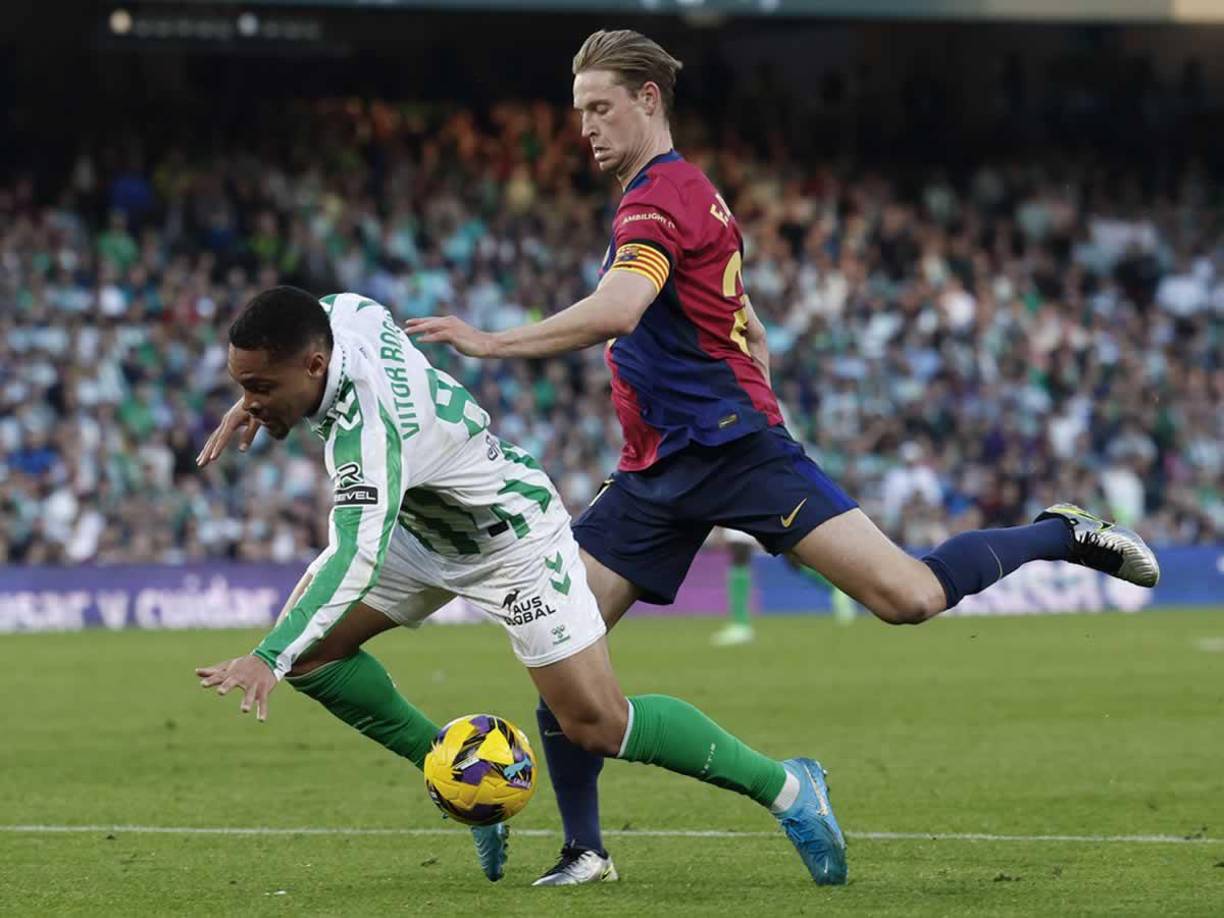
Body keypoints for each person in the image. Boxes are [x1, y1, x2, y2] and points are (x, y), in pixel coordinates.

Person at [403, 29, 1161, 885]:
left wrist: (490, 342)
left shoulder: (659, 197)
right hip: (657, 469)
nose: (586, 128)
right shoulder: (684, 197)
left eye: (600, 108)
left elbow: (619, 311)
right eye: (580, 112)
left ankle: (1060, 534)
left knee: (907, 597)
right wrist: (745, 357)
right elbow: (742, 316)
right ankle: (586, 851)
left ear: (649, 100)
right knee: (560, 649)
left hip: (733, 449)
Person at [194, 286, 849, 888]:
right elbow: (317, 319)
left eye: (259, 385)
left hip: (511, 540)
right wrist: (255, 402)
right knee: (316, 655)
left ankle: (788, 787)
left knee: (595, 723)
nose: (249, 398)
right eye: (241, 384)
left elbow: (355, 556)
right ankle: (461, 776)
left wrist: (265, 656)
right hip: (423, 531)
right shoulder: (343, 315)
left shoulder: (371, 434)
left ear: (313, 367)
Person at [711, 528, 756, 647]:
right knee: (739, 563)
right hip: (742, 524)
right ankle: (740, 623)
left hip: (741, 526)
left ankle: (741, 625)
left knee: (740, 560)